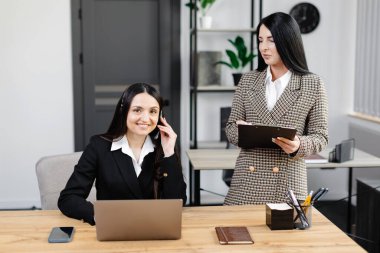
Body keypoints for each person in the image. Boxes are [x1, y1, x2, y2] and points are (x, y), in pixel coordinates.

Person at [224, 12, 328, 205]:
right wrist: (243, 131)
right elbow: (230, 128)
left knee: (284, 234)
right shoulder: (247, 80)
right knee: (236, 233)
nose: (264, 47)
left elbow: (320, 136)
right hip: (248, 180)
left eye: (271, 40)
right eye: (260, 40)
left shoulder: (312, 84)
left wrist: (298, 145)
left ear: (288, 41)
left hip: (287, 181)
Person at [58, 83, 187, 225]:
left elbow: (177, 202)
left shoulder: (163, 149)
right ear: (123, 111)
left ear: (160, 116)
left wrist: (169, 154)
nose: (145, 118)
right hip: (112, 230)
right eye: (137, 110)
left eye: (153, 111)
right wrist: (99, 215)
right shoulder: (98, 147)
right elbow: (68, 198)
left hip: (153, 230)